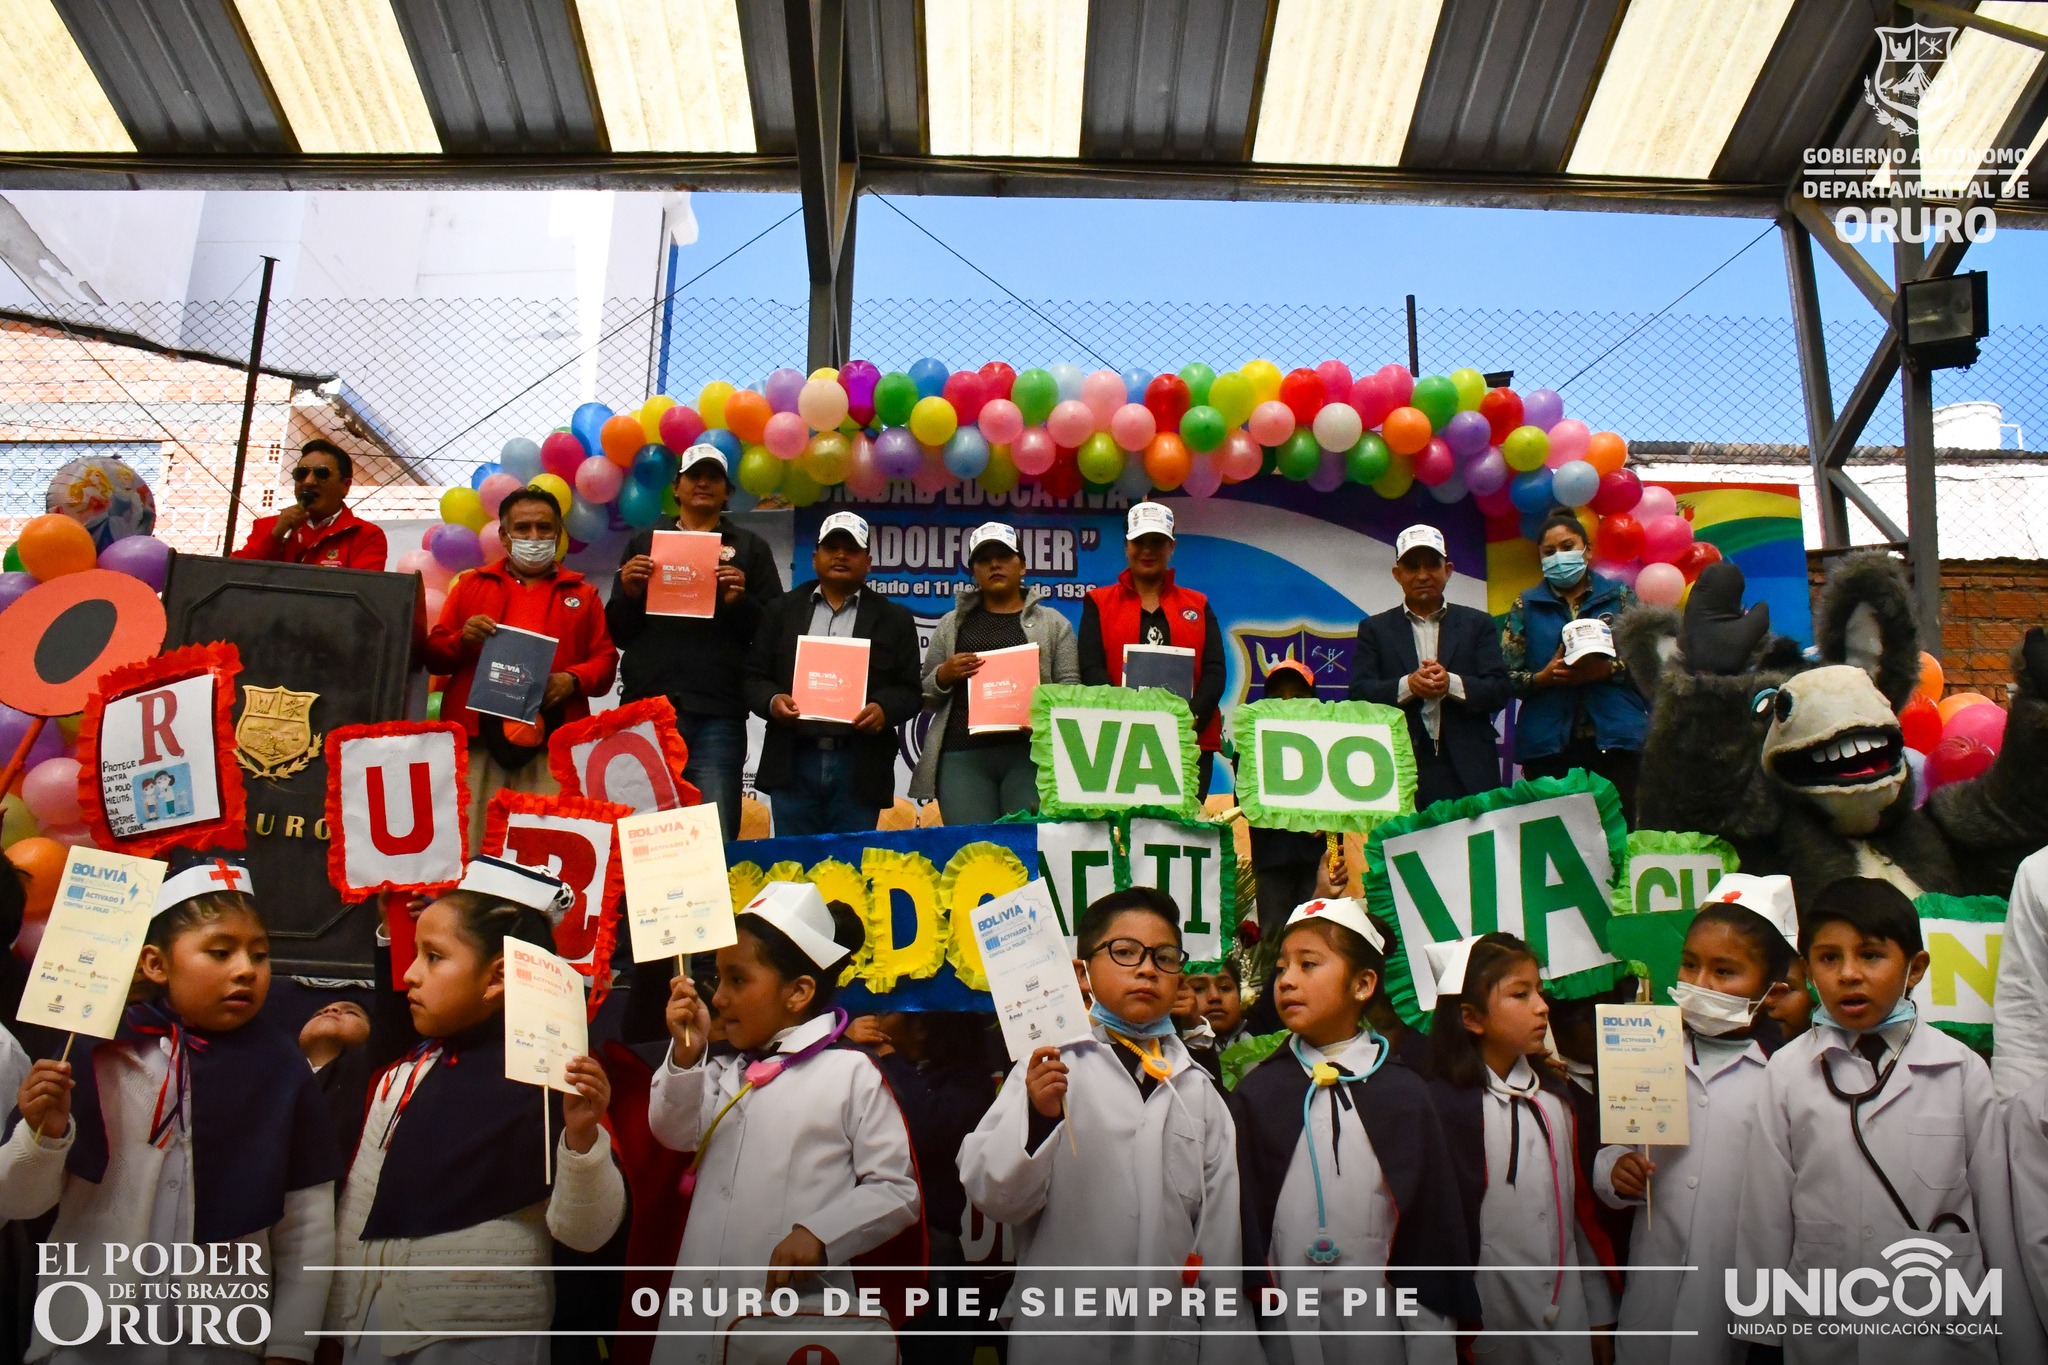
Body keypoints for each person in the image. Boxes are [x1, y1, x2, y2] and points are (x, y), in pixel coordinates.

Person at [0, 857, 341, 1362]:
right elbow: (18, 1204)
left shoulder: (281, 1068)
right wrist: (43, 1136)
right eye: (220, 952)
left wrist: (292, 1342)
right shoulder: (93, 1054)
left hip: (220, 1337)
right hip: (89, 1333)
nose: (246, 969)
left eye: (260, 954)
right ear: (156, 964)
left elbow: (307, 1220)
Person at [323, 857, 626, 1360]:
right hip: (367, 1331)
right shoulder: (403, 1075)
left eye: (434, 957)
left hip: (482, 1340)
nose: (411, 974)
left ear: (497, 977)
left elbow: (588, 1234)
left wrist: (582, 1140)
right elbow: (358, 1208)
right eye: (415, 953)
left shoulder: (558, 1080)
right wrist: (336, 1322)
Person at [1734, 878, 2040, 1361]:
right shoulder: (1787, 1072)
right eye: (1829, 958)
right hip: (1826, 1327)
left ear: (1915, 968)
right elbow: (1765, 1213)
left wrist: (2021, 1344)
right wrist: (1761, 1334)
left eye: (1871, 956)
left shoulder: (1961, 1070)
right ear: (1807, 970)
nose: (1849, 974)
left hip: (1942, 1326)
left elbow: (1997, 1219)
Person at [957, 887, 1246, 1365]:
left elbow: (1220, 1243)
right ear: (1082, 972)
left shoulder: (1200, 1092)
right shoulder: (1047, 1068)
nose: (1148, 969)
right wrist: (1036, 1116)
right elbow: (994, 1195)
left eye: (1166, 957)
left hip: (1167, 1337)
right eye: (1126, 952)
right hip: (1063, 1334)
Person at [649, 882, 922, 1365]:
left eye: (738, 980)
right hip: (696, 1316)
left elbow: (896, 1191)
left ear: (798, 992)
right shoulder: (721, 1071)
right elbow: (673, 1132)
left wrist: (820, 1233)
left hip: (796, 1319)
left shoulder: (849, 1072)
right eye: (718, 979)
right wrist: (687, 1057)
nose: (720, 1000)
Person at [1230, 897, 1477, 1364]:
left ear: (1363, 984)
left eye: (1308, 965)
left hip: (1382, 1327)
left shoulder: (1406, 1096)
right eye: (1282, 967)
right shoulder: (1258, 1093)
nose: (1286, 980)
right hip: (1283, 1327)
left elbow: (1430, 1233)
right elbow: (1242, 1233)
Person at [1592, 875, 1800, 1365]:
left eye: (1725, 972)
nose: (1700, 983)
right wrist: (1615, 1171)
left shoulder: (1787, 1074)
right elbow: (1613, 1149)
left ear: (1772, 991)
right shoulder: (1646, 1051)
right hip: (1651, 1298)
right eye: (1690, 965)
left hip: (1736, 1310)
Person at [1423, 933, 1615, 1365]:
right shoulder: (1442, 1109)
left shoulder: (1555, 1100)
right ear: (1471, 1018)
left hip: (1568, 1315)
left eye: (1540, 992)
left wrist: (1598, 1315)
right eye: (1520, 994)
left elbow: (1576, 1217)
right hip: (1489, 1318)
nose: (1542, 1007)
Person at [610, 444, 785, 840]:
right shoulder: (644, 544)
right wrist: (631, 591)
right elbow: (618, 632)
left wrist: (742, 603)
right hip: (647, 710)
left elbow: (772, 635)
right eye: (694, 475)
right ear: (676, 488)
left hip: (718, 713)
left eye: (714, 477)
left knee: (714, 836)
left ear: (727, 492)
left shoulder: (751, 549)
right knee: (642, 836)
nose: (703, 483)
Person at [426, 488, 618, 848]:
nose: (534, 537)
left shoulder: (584, 594)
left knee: (544, 849)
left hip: (553, 744)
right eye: (523, 527)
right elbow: (433, 655)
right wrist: (461, 641)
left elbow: (606, 663)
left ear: (559, 534)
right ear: (503, 535)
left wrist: (573, 680)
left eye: (544, 528)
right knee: (468, 843)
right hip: (477, 741)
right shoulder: (470, 585)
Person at [745, 511, 922, 837]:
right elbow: (754, 677)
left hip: (859, 764)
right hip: (793, 759)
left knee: (849, 871)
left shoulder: (894, 619)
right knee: (794, 867)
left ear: (868, 562)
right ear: (815, 558)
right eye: (832, 547)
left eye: (851, 549)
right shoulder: (781, 611)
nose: (841, 555)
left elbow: (911, 690)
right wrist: (773, 701)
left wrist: (884, 708)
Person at [910, 521, 1080, 825]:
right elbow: (924, 694)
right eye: (984, 559)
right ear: (974, 570)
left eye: (1004, 556)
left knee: (1028, 852)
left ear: (1023, 565)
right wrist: (943, 675)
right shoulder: (951, 625)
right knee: (971, 852)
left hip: (1030, 757)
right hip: (962, 756)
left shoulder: (1055, 624)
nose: (994, 565)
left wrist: (1043, 718)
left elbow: (1072, 691)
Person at [1350, 524, 1511, 809]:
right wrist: (1407, 686)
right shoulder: (1375, 629)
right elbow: (1359, 695)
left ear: (1448, 570)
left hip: (1470, 766)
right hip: (1399, 765)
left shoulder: (1478, 624)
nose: (1423, 575)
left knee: (1474, 852)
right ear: (1397, 575)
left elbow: (1499, 689)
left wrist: (1452, 684)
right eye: (1412, 567)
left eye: (1432, 565)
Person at [1502, 511, 1649, 819]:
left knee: (1619, 838)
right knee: (1557, 842)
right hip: (1549, 748)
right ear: (1541, 559)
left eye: (1568, 546)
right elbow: (1504, 677)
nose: (1560, 556)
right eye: (1550, 552)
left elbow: (1649, 666)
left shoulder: (1621, 598)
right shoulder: (1525, 605)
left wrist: (1605, 671)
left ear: (1588, 549)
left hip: (1617, 742)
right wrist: (1543, 678)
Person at [1079, 502, 1227, 797]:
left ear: (1171, 546)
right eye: (1139, 542)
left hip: (1190, 740)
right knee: (1125, 833)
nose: (1147, 550)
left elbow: (1215, 671)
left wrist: (1193, 717)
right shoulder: (1098, 601)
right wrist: (1122, 715)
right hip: (1118, 740)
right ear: (1126, 546)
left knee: (1182, 833)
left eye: (1157, 542)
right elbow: (1091, 668)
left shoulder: (1197, 604)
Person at [1247, 659, 1343, 937]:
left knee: (1323, 932)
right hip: (1273, 858)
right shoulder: (1251, 739)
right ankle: (1274, 983)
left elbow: (1349, 797)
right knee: (1275, 939)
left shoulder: (1335, 736)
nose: (1288, 702)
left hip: (1325, 852)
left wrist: (1332, 819)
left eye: (1298, 696)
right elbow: (1244, 799)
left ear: (1314, 699)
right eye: (1278, 697)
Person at [234, 438, 390, 570]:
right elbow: (235, 573)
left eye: (321, 473)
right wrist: (275, 537)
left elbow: (364, 592)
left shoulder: (365, 536)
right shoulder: (267, 527)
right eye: (301, 474)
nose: (308, 482)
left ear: (346, 485)